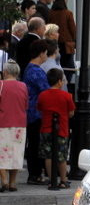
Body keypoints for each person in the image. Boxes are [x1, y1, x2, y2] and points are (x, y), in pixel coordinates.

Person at [37, 68, 75, 190]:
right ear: (59, 81)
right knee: (62, 156)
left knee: (48, 156)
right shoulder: (66, 96)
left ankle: (51, 179)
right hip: (62, 129)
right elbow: (71, 113)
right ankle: (63, 180)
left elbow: (40, 109)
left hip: (46, 129)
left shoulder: (42, 95)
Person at [22, 40, 50, 185]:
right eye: (45, 52)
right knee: (36, 144)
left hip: (32, 111)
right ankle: (36, 174)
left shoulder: (29, 68)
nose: (46, 55)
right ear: (41, 53)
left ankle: (35, 173)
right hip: (36, 112)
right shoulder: (36, 71)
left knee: (34, 143)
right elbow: (45, 91)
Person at [0, 61, 28, 192]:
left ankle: (4, 180)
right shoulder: (23, 86)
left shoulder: (0, 85)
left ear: (5, 72)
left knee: (2, 153)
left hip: (3, 122)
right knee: (16, 153)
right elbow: (25, 104)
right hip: (19, 124)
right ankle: (12, 183)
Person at [47, 0, 76, 88]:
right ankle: (65, 83)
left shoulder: (50, 13)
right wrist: (75, 41)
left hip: (54, 43)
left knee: (58, 64)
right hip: (67, 44)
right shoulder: (68, 13)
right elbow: (73, 30)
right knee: (69, 66)